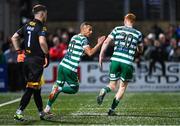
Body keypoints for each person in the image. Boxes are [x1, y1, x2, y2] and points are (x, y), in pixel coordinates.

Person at [44, 22, 105, 115]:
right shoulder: (84, 39)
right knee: (74, 89)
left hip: (62, 65)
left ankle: (47, 109)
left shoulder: (74, 37)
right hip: (70, 68)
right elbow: (90, 53)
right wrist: (99, 43)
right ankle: (59, 89)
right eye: (89, 30)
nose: (91, 32)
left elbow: (77, 51)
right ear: (83, 29)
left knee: (56, 87)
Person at [97, 13, 143, 116]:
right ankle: (112, 110)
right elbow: (141, 49)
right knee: (122, 87)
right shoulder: (138, 34)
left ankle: (104, 90)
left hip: (115, 60)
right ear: (133, 21)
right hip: (127, 62)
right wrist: (137, 48)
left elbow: (106, 42)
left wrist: (101, 55)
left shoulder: (117, 29)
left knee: (112, 85)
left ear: (125, 20)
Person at [11, 4, 49, 121]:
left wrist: (19, 52)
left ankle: (41, 112)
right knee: (31, 87)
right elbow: (42, 42)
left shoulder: (27, 25)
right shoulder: (41, 26)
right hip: (36, 62)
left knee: (37, 87)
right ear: (42, 14)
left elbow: (14, 37)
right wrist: (47, 55)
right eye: (46, 14)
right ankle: (19, 112)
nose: (46, 16)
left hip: (26, 60)